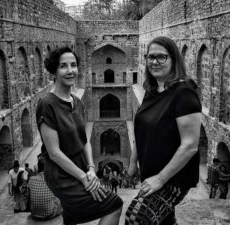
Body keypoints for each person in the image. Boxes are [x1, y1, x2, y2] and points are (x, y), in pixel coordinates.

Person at [36, 47, 123, 225]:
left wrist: (91, 168)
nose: (70, 71)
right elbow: (54, 153)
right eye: (63, 66)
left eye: (73, 65)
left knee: (72, 217)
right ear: (54, 71)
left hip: (81, 167)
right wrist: (84, 178)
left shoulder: (76, 102)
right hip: (61, 174)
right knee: (114, 204)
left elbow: (84, 140)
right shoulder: (47, 104)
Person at [125, 36, 202, 225]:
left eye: (161, 57)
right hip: (151, 172)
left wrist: (160, 179)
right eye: (150, 57)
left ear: (173, 59)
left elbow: (190, 145)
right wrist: (134, 162)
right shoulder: (152, 90)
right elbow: (141, 129)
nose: (154, 62)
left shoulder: (184, 93)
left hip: (173, 178)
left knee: (136, 217)